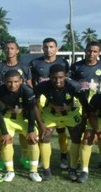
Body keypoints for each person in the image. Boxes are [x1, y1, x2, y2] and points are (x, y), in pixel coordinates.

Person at [34, 64, 88, 181]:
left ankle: (72, 167)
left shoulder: (74, 85)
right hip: (51, 114)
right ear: (49, 77)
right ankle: (46, 169)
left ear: (65, 76)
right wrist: (40, 123)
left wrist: (83, 123)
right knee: (45, 136)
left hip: (70, 114)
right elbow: (34, 103)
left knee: (76, 137)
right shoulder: (42, 86)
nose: (57, 81)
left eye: (61, 77)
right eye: (54, 78)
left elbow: (85, 104)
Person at [70, 41, 101, 171]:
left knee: (100, 131)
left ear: (99, 53)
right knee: (78, 131)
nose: (91, 54)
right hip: (79, 104)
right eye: (89, 51)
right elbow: (70, 84)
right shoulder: (76, 66)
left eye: (95, 51)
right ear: (85, 51)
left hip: (98, 104)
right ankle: (75, 160)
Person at [0, 69, 41, 182]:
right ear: (4, 81)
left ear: (21, 81)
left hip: (23, 118)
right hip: (7, 118)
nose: (12, 85)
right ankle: (10, 171)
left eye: (15, 81)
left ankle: (34, 171)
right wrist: (4, 132)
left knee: (33, 139)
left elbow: (32, 111)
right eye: (9, 82)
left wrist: (31, 130)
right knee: (6, 140)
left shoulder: (28, 91)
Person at [29, 37, 71, 169]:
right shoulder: (35, 62)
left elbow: (67, 81)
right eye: (46, 47)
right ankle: (42, 156)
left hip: (58, 99)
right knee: (43, 129)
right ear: (43, 48)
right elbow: (30, 81)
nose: (49, 49)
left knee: (61, 130)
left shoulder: (63, 62)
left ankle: (64, 156)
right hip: (41, 99)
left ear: (57, 49)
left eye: (51, 47)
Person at [0, 41, 32, 170]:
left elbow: (30, 85)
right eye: (7, 48)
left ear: (17, 50)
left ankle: (24, 157)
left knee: (23, 134)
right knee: (3, 135)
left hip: (21, 105)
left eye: (12, 48)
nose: (9, 51)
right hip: (4, 104)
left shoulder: (25, 67)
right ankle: (2, 159)